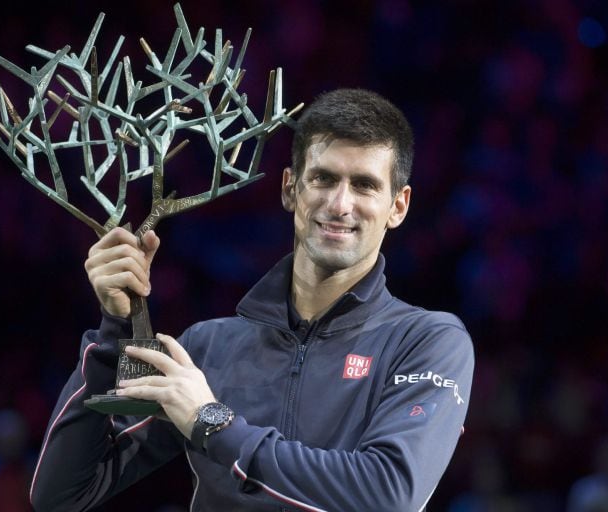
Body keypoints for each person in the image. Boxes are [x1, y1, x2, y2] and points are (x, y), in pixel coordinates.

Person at [29, 88, 475, 511]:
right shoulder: (207, 349)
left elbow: (387, 495)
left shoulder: (425, 342)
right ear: (289, 188)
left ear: (398, 206)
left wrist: (214, 424)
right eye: (322, 178)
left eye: (364, 185)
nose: (340, 204)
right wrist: (114, 330)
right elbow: (63, 493)